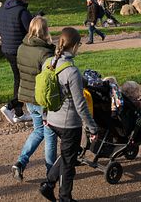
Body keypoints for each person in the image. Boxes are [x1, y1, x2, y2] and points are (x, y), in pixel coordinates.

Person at [38, 27, 98, 202]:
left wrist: (44, 116)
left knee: (66, 155)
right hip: (69, 124)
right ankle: (65, 197)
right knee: (69, 163)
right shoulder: (72, 71)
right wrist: (92, 127)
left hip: (51, 119)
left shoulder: (49, 62)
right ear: (74, 46)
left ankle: (48, 185)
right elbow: (80, 106)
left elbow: (45, 92)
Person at [12, 16, 58, 182]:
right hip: (41, 100)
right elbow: (49, 79)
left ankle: (20, 162)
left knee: (38, 131)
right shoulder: (45, 53)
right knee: (50, 135)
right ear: (46, 31)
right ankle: (51, 172)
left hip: (27, 97)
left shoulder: (21, 47)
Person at [0, 0, 34, 123]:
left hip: (7, 49)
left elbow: (2, 28)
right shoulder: (21, 11)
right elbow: (31, 31)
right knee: (25, 80)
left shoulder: (3, 9)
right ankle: (10, 106)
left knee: (18, 79)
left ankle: (19, 113)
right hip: (19, 50)